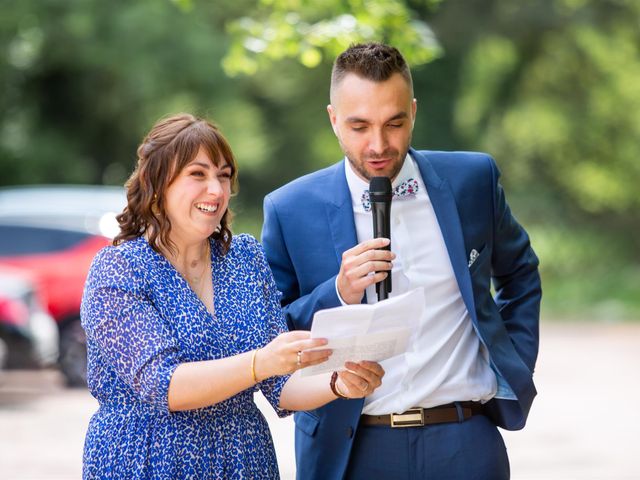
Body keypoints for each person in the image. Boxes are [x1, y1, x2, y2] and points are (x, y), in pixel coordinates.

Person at [261, 43, 541, 479]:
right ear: (333, 119)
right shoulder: (289, 208)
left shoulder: (472, 181)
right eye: (359, 126)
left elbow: (520, 273)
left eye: (394, 123)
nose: (378, 144)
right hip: (352, 450)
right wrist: (337, 292)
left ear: (413, 112)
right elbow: (272, 333)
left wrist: (512, 364)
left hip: (465, 439)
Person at [80, 113, 385, 479]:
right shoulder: (118, 270)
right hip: (149, 461)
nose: (217, 190)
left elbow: (281, 384)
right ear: (157, 184)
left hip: (244, 460)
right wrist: (261, 362)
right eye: (198, 174)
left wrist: (337, 383)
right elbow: (166, 385)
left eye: (223, 176)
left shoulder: (245, 258)